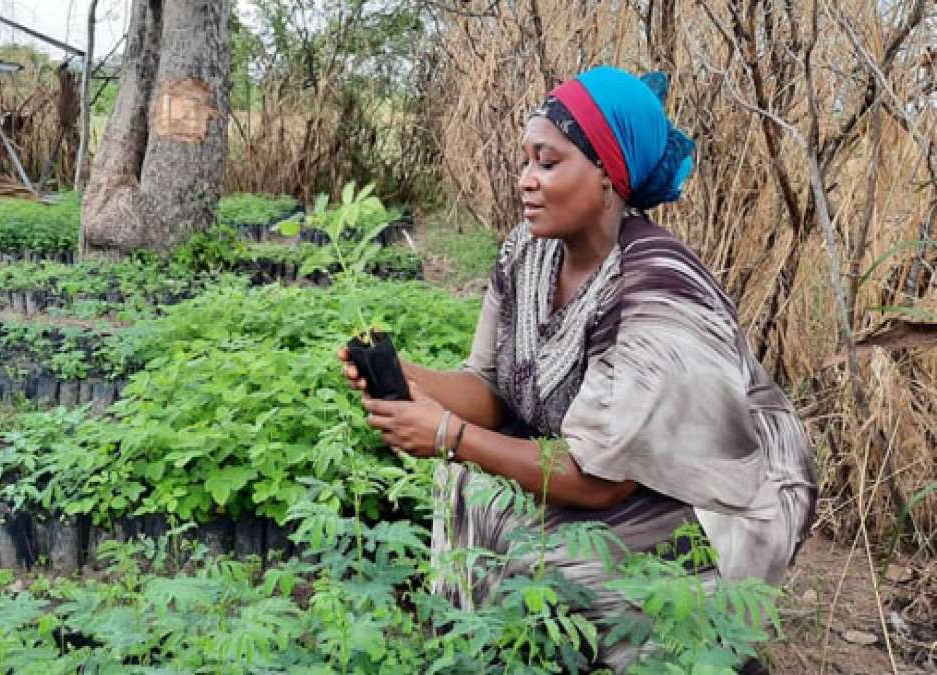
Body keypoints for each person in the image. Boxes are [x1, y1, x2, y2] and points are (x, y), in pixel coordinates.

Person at [338, 66, 816, 670]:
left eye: (547, 162)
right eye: (526, 162)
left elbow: (601, 482)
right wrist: (408, 381)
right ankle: (504, 651)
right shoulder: (527, 253)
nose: (525, 181)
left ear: (609, 177)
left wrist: (445, 435)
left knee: (550, 559)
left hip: (719, 497)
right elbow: (490, 387)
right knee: (471, 489)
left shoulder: (657, 292)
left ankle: (695, 648)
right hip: (608, 464)